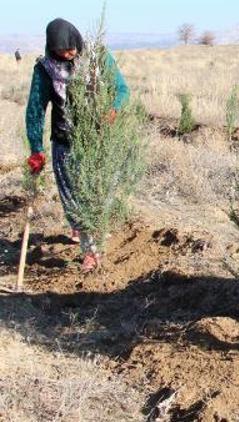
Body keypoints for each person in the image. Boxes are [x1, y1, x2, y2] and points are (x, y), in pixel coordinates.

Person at [25, 18, 130, 272]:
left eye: (71, 48)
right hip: (65, 142)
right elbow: (35, 110)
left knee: (97, 194)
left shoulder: (98, 57)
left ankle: (92, 234)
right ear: (52, 48)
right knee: (74, 200)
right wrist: (36, 149)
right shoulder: (44, 69)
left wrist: (114, 109)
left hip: (99, 140)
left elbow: (121, 89)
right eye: (61, 51)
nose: (67, 54)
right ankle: (90, 253)